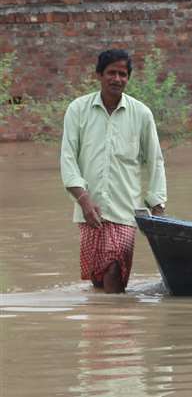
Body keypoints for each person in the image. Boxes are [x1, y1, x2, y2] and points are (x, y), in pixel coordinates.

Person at [60, 49, 167, 293]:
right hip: (89, 210)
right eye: (111, 73)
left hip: (125, 212)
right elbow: (68, 158)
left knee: (114, 270)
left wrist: (157, 207)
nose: (117, 79)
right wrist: (84, 200)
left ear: (128, 78)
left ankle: (117, 325)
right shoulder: (78, 110)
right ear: (99, 75)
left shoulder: (141, 114)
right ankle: (101, 324)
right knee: (98, 279)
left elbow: (155, 160)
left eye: (122, 74)